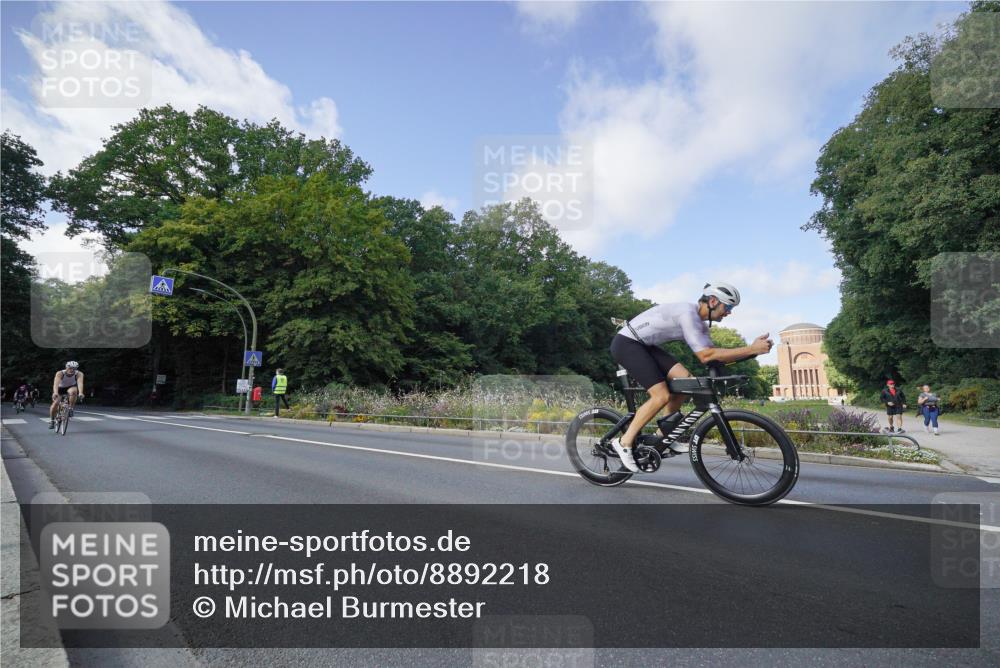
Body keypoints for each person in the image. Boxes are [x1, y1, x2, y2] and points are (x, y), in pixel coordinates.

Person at [609, 281, 772, 472]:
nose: (729, 312)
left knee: (685, 381)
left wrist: (752, 353)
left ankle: (662, 438)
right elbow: (706, 355)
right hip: (627, 343)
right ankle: (624, 442)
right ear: (712, 301)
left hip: (646, 346)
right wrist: (751, 349)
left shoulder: (701, 326)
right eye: (727, 307)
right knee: (661, 395)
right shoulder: (688, 314)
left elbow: (714, 360)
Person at [50, 361, 85, 429]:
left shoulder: (79, 374)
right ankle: (52, 421)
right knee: (55, 404)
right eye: (70, 368)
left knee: (74, 391)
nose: (72, 370)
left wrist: (81, 392)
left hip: (71, 387)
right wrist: (55, 392)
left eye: (74, 368)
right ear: (66, 367)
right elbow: (56, 384)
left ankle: (71, 408)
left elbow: (80, 383)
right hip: (60, 388)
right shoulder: (60, 373)